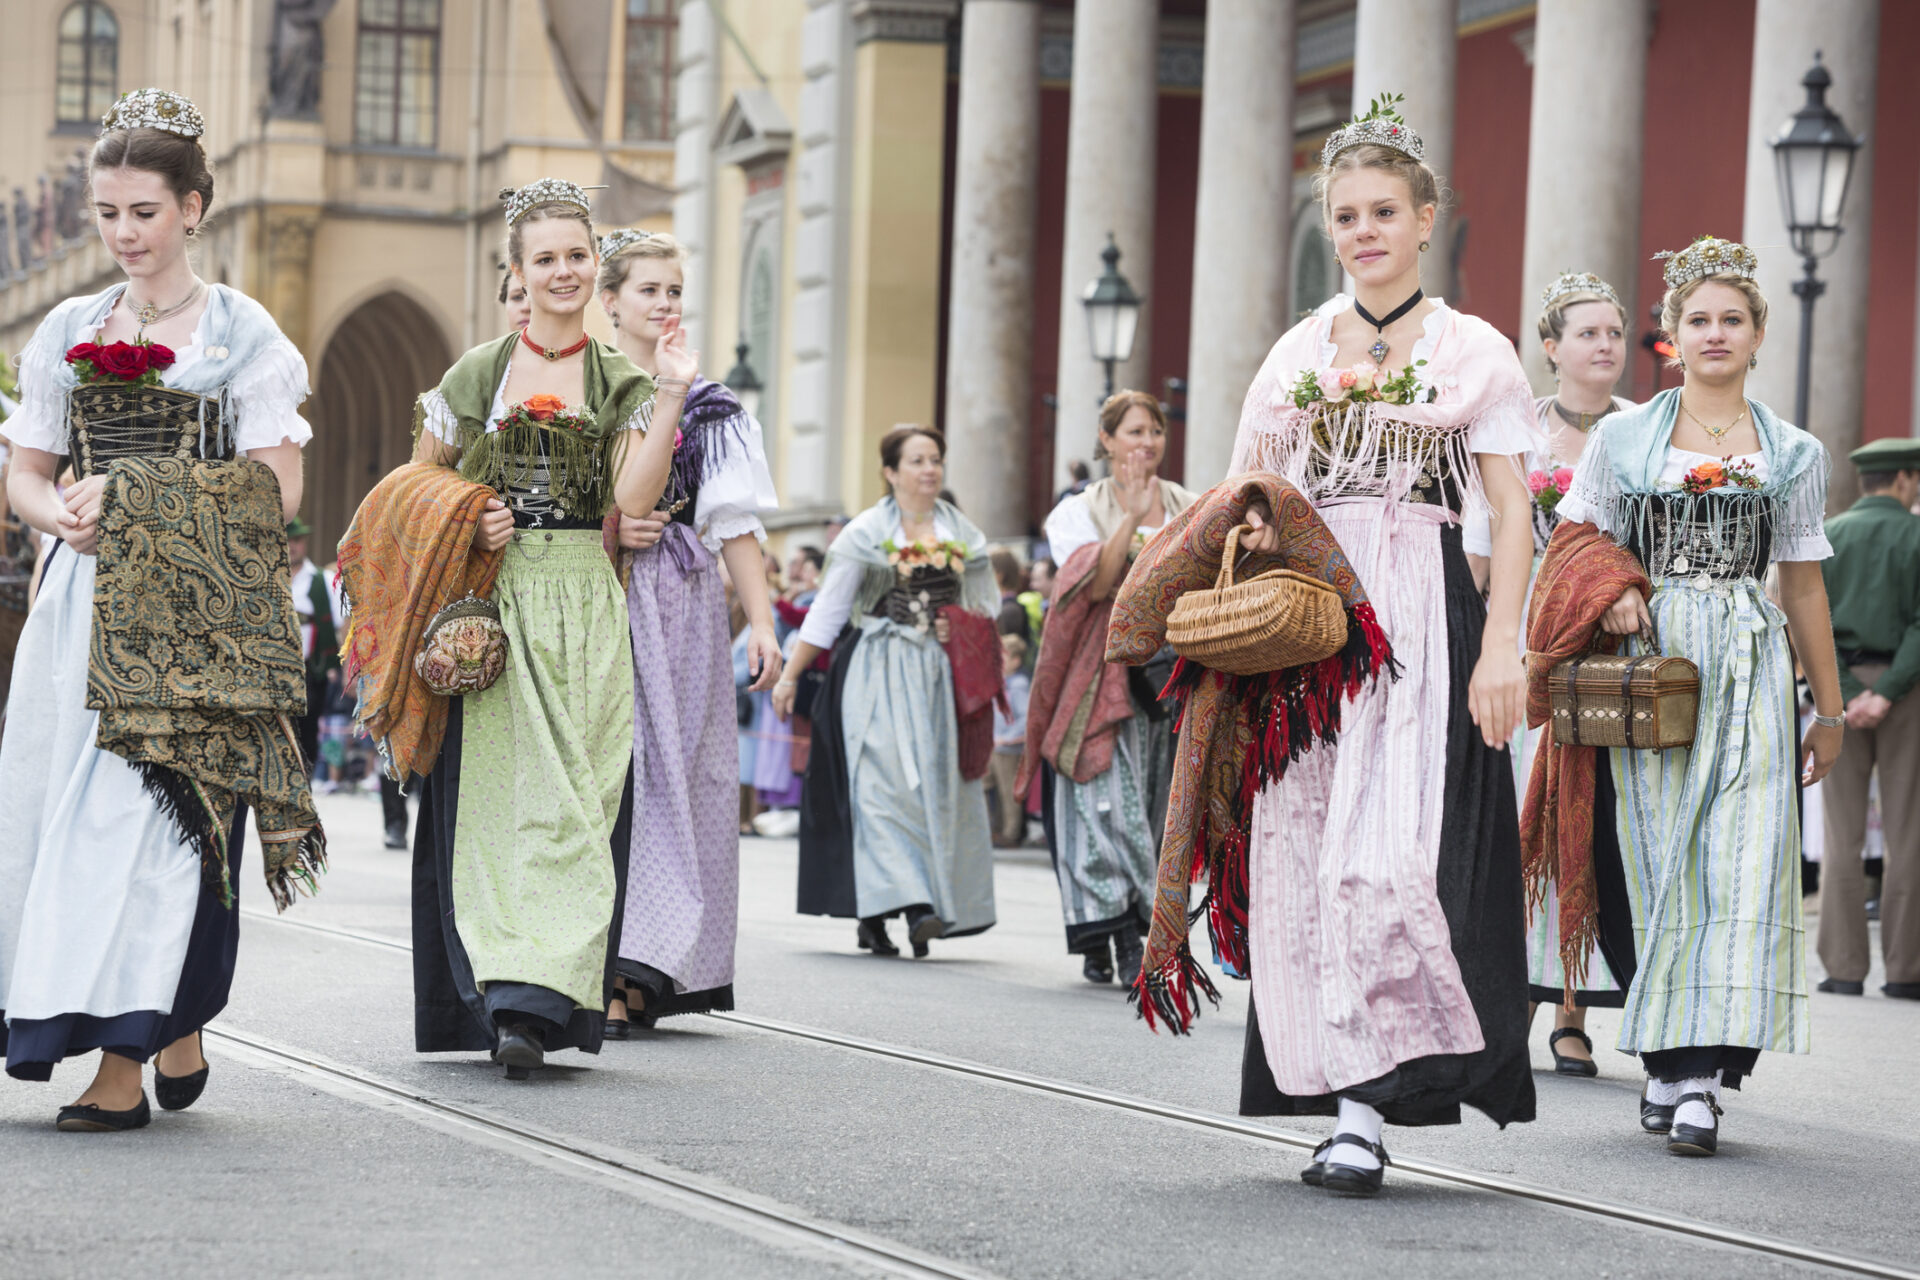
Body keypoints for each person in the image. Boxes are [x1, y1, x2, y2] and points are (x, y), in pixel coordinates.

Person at [1223, 95, 1539, 1193]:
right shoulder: (1297, 350)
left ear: (1425, 218)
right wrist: (1259, 533)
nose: (1364, 230)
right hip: (1313, 618)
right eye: (1347, 213)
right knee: (1307, 852)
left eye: (1384, 211)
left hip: (1425, 610)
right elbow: (1251, 492)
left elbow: (1513, 511)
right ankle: (1343, 1099)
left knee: (1389, 855)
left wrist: (1507, 648)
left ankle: (1375, 1090)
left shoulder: (1475, 349)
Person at [0, 89, 321, 1128]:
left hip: (190, 613)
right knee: (73, 823)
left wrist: (141, 498)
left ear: (192, 207)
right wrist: (64, 516)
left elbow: (280, 488)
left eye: (144, 211)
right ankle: (167, 1021)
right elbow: (28, 474)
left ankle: (123, 1059)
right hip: (82, 604)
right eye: (108, 213)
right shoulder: (67, 327)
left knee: (156, 823)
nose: (124, 233)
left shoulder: (241, 331)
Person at [1542, 235, 1842, 1156]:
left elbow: (1802, 587)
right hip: (1652, 668)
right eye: (1697, 319)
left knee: (1740, 868)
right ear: (1671, 336)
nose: (1715, 333)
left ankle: (1704, 1078)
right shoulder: (1626, 437)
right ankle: (1668, 1064)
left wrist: (1826, 711)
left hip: (1751, 672)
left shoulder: (1793, 451)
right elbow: (1573, 546)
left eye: (1732, 320)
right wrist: (1618, 586)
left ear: (1757, 336)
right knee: (1649, 857)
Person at [406, 179, 690, 1080]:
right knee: (498, 804)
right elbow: (414, 490)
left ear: (592, 265)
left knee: (579, 800)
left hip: (586, 600)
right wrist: (469, 512)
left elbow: (632, 499)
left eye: (577, 256)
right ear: (517, 274)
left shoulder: (623, 381)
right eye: (546, 259)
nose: (563, 272)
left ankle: (553, 987)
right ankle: (509, 999)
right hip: (497, 607)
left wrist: (676, 395)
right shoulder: (477, 374)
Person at [595, 227, 780, 1034]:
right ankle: (606, 960)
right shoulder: (583, 388)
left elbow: (734, 527)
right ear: (612, 303)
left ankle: (657, 965)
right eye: (649, 290)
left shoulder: (712, 407)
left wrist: (765, 626)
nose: (666, 304)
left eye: (675, 291)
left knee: (684, 775)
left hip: (684, 601)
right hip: (602, 594)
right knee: (615, 774)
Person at [1468, 271, 1637, 1076]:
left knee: (1590, 819)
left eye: (1615, 333)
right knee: (1516, 817)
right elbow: (1479, 549)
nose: (1605, 346)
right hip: (1529, 643)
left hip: (1612, 651)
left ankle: (1573, 1006)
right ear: (1551, 347)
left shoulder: (1645, 432)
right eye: (1588, 333)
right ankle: (1512, 996)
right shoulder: (1519, 434)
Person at [781, 426, 1000, 958]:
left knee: (931, 791)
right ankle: (915, 907)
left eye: (936, 460)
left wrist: (959, 623)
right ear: (891, 471)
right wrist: (790, 674)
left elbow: (987, 607)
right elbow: (828, 611)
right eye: (918, 460)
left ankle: (887, 909)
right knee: (879, 789)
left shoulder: (963, 535)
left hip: (936, 680)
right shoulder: (865, 533)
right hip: (876, 671)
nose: (929, 469)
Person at [1026, 390, 1196, 986]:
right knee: (1106, 806)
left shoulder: (1191, 505)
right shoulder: (1076, 512)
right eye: (1132, 432)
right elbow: (1095, 588)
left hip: (1169, 672)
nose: (1146, 442)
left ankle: (1109, 930)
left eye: (1154, 431)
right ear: (1106, 441)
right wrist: (1130, 514)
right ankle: (1124, 936)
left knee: (1149, 807)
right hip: (1099, 676)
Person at [1816, 436, 1920, 1001]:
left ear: (1865, 481)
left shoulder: (1831, 536)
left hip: (1839, 688)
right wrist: (1889, 691)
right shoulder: (1918, 534)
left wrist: (1851, 692)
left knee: (1841, 833)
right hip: (1909, 694)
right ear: (1904, 479)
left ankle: (1843, 968)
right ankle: (1906, 970)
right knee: (1910, 832)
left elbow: (1810, 621)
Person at [988, 632, 1030, 847]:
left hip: (1009, 748)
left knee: (1008, 792)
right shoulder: (1004, 683)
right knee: (988, 785)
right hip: (996, 745)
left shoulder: (1018, 685)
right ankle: (995, 828)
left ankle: (1011, 833)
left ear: (1015, 660)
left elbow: (1025, 716)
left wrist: (1008, 737)